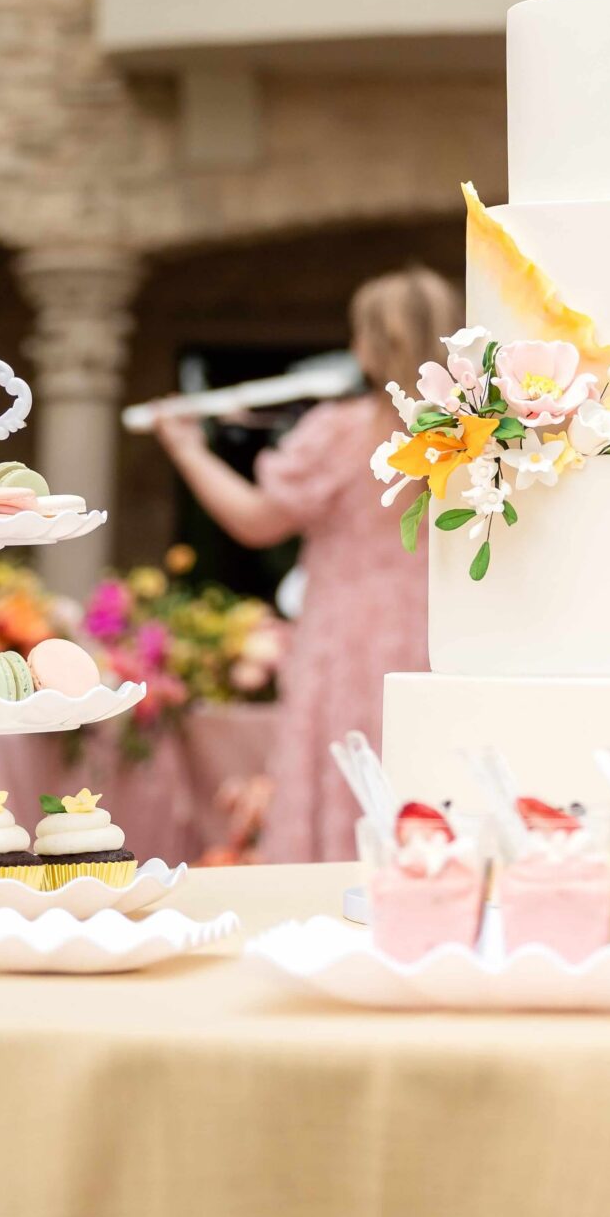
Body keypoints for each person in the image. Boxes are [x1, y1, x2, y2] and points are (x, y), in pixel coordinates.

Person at [152, 264, 459, 862]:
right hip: (442, 637)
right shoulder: (475, 435)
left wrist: (187, 449)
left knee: (343, 774)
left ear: (371, 345)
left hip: (347, 642)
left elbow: (257, 520)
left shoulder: (342, 432)